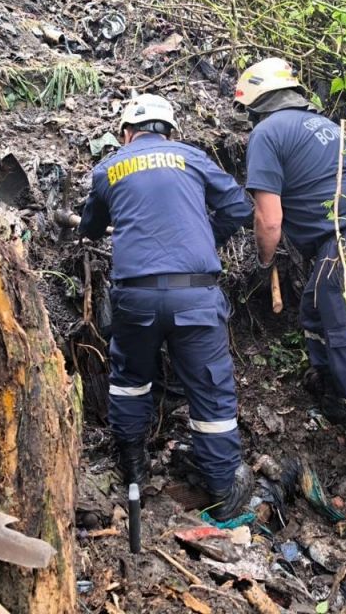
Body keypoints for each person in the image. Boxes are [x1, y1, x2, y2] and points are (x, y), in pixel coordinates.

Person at [236, 57, 346, 496]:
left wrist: (263, 260)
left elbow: (268, 220)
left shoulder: (267, 133)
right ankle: (332, 396)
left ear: (256, 102)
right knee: (316, 308)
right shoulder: (327, 127)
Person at [78, 94, 254, 520]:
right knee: (210, 388)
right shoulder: (191, 158)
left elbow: (90, 228)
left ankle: (133, 465)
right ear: (170, 131)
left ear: (125, 133)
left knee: (131, 380)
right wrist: (204, 235)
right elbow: (239, 207)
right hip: (195, 294)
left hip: (135, 295)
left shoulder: (109, 168)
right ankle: (222, 484)